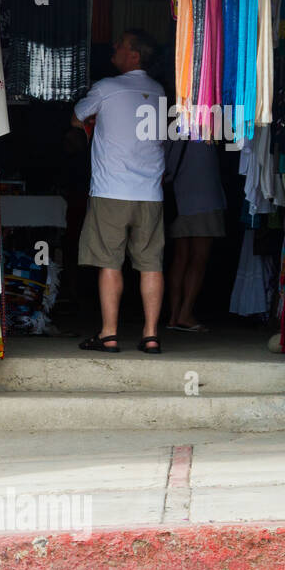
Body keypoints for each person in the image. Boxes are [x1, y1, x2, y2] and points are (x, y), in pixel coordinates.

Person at [71, 29, 167, 354]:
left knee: (109, 262)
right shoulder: (159, 92)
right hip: (150, 193)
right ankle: (151, 334)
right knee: (151, 263)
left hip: (112, 190)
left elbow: (76, 117)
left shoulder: (107, 88)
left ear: (135, 55)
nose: (114, 49)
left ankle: (109, 334)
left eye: (121, 45)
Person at [163, 137, 226, 332]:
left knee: (180, 258)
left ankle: (173, 315)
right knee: (199, 258)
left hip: (180, 198)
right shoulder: (208, 127)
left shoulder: (172, 129)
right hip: (205, 197)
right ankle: (185, 313)